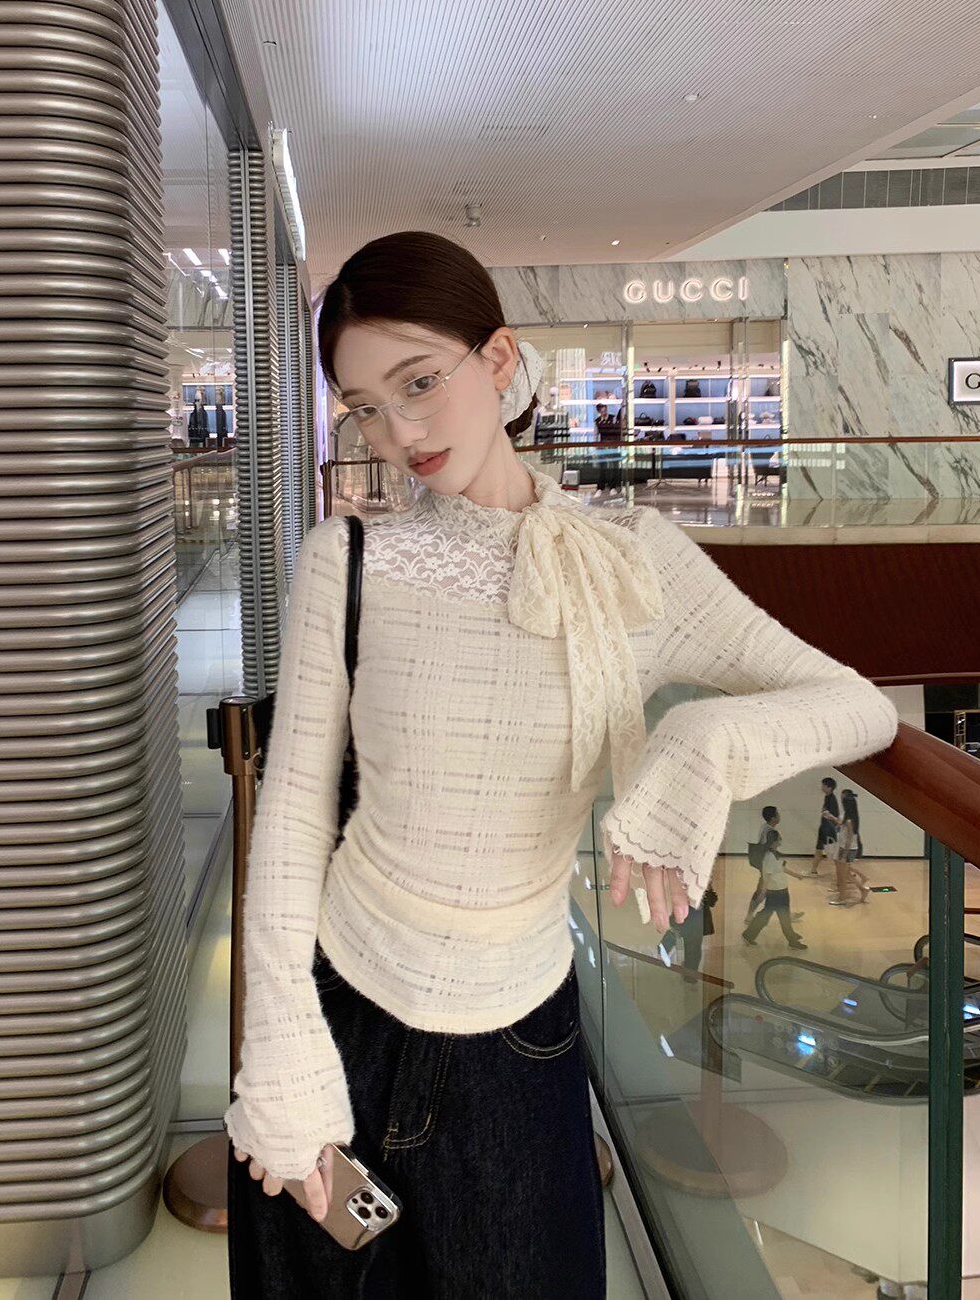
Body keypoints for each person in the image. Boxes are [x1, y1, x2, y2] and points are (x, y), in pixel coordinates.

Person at [224, 231, 898, 1298]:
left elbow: (858, 703)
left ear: (498, 359)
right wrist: (282, 1048)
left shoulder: (631, 562)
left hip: (519, 1042)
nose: (399, 432)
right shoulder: (346, 561)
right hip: (343, 1007)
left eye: (419, 383)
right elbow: (295, 816)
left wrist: (701, 740)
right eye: (365, 407)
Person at [742, 829, 808, 950]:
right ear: (774, 841)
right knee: (783, 916)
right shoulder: (769, 857)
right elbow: (767, 875)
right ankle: (792, 941)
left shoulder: (774, 854)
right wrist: (763, 892)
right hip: (777, 892)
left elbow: (781, 868)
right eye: (779, 839)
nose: (780, 840)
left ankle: (748, 934)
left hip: (780, 890)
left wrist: (797, 875)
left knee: (766, 914)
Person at [831, 787, 870, 905]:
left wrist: (844, 855)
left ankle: (842, 898)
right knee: (844, 873)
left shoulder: (849, 820)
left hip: (847, 849)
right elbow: (841, 824)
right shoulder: (851, 817)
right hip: (844, 848)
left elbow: (849, 839)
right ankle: (862, 888)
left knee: (843, 876)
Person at [810, 775, 841, 877]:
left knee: (834, 854)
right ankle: (813, 871)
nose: (822, 787)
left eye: (823, 785)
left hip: (828, 830)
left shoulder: (832, 799)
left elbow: (834, 817)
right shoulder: (827, 797)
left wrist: (828, 816)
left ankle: (845, 873)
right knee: (819, 849)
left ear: (829, 787)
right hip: (824, 828)